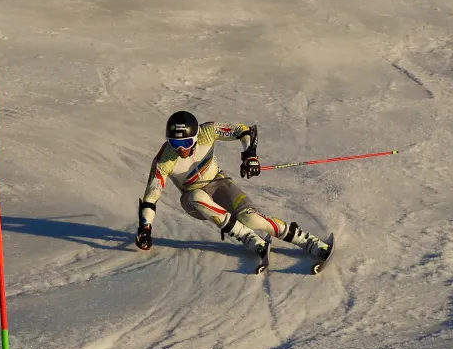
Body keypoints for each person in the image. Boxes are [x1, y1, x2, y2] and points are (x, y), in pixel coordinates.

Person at [135, 111, 332, 263]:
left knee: (252, 219)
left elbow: (244, 130)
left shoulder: (207, 132)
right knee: (196, 196)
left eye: (186, 142)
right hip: (193, 201)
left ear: (195, 137)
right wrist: (145, 228)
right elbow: (151, 196)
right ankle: (247, 238)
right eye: (174, 143)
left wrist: (250, 155)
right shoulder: (164, 160)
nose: (181, 149)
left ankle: (310, 242)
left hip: (219, 183)